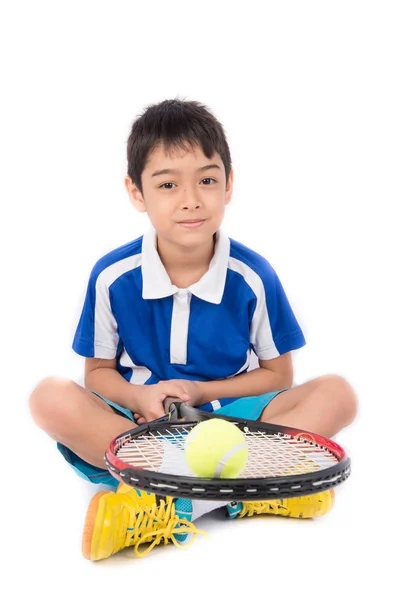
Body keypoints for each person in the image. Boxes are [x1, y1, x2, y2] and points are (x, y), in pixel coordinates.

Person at [29, 98, 358, 561]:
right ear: (136, 192)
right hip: (142, 428)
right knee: (48, 396)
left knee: (339, 393)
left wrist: (203, 393)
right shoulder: (111, 276)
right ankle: (254, 491)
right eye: (167, 184)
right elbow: (98, 373)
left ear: (228, 185)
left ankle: (168, 508)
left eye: (207, 179)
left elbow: (278, 377)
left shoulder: (253, 276)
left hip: (234, 423)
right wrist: (139, 397)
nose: (191, 199)